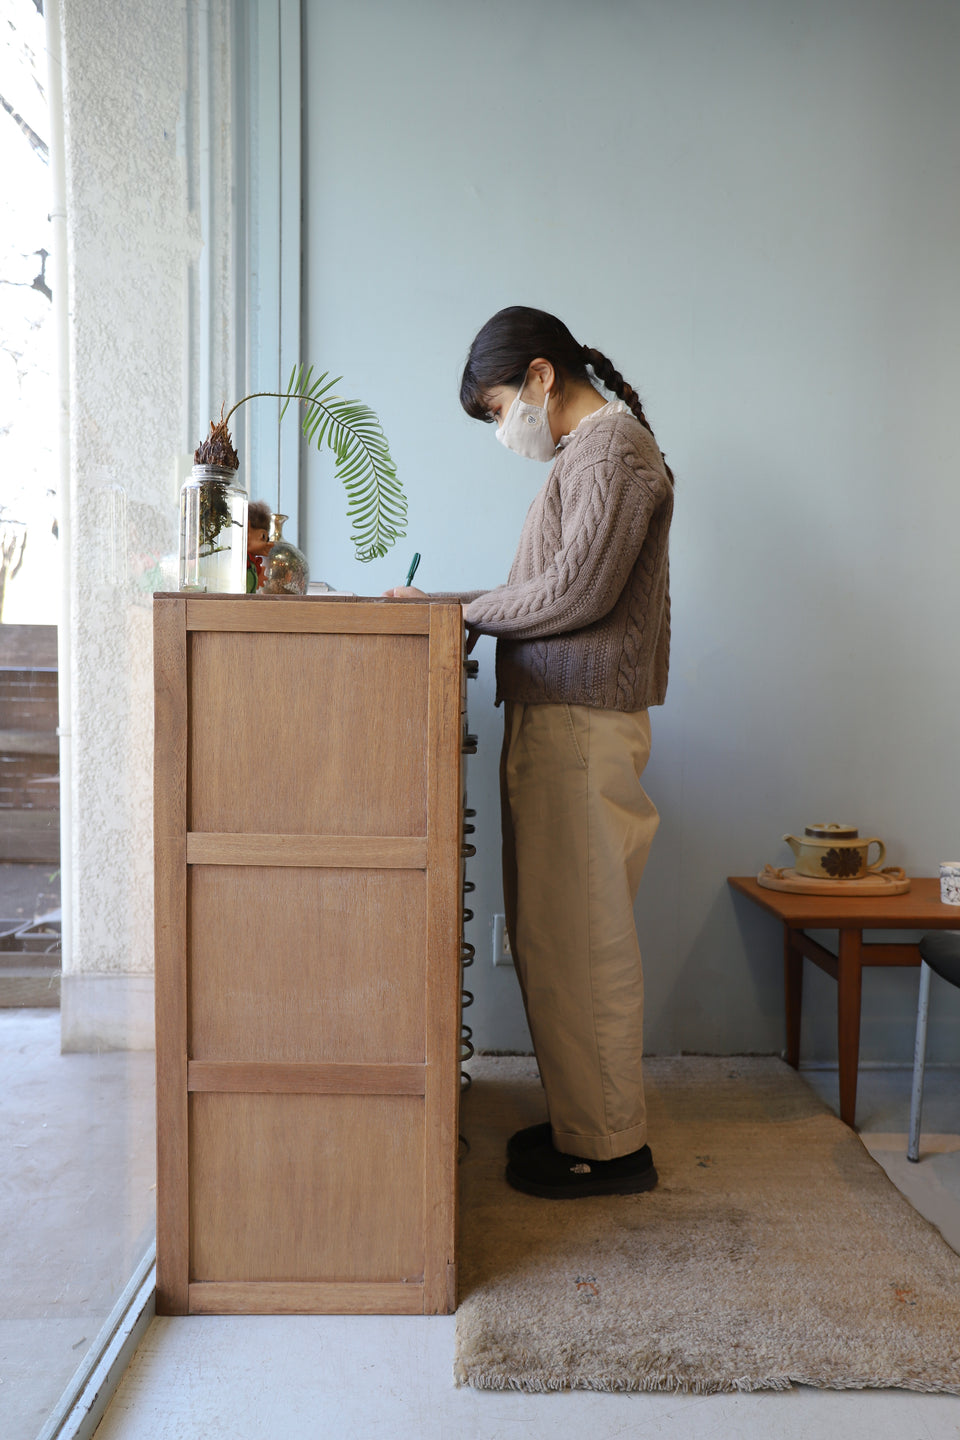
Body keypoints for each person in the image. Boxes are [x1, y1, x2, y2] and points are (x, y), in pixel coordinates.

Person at [385, 306, 674, 1199]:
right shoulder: (591, 454)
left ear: (541, 377)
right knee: (558, 931)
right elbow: (547, 591)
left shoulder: (612, 452)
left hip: (582, 724)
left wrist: (458, 611)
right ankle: (588, 1121)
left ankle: (610, 1149)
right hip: (565, 718)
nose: (502, 428)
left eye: (497, 407)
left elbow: (577, 593)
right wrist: (450, 604)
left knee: (580, 934)